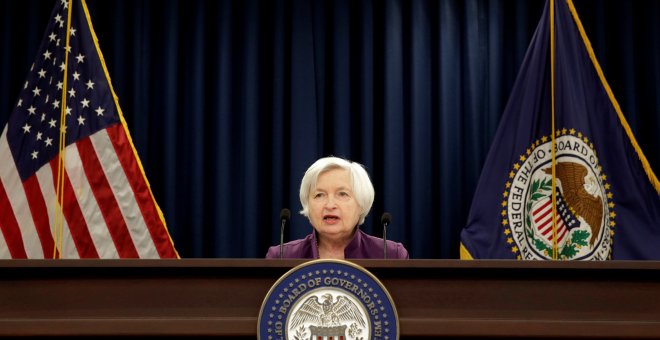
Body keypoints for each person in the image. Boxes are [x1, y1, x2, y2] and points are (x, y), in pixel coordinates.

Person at [266, 156, 409, 259]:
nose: (330, 205)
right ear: (307, 205)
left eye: (342, 194)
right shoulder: (282, 257)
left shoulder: (391, 255)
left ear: (361, 204)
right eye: (319, 195)